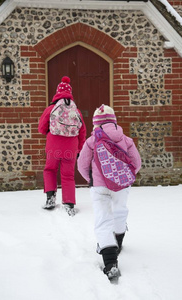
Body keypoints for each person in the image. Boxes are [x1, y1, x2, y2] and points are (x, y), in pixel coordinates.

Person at [77, 104, 141, 282]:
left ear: (95, 124)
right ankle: (118, 243)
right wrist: (124, 178)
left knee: (103, 219)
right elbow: (137, 163)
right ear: (114, 121)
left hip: (99, 187)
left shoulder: (91, 141)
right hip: (122, 186)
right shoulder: (126, 139)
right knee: (120, 211)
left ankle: (111, 262)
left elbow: (82, 165)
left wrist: (92, 180)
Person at [38, 76, 86, 216]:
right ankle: (69, 204)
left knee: (50, 170)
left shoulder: (51, 108)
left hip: (53, 147)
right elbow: (82, 132)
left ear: (57, 92)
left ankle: (50, 199)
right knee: (68, 175)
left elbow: (41, 128)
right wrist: (79, 148)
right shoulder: (76, 111)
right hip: (71, 147)